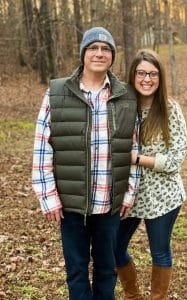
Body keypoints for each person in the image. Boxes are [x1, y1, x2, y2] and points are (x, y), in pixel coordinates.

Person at [32, 27, 140, 300]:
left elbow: (134, 148)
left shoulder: (126, 96)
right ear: (83, 53)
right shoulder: (57, 93)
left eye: (106, 49)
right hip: (71, 206)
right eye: (93, 48)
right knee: (77, 271)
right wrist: (48, 197)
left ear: (112, 56)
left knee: (106, 270)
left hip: (109, 203)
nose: (99, 53)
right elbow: (42, 147)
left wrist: (129, 192)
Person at [115, 50, 187, 300]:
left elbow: (175, 159)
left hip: (163, 196)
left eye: (153, 74)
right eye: (142, 73)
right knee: (114, 248)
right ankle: (132, 296)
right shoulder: (123, 108)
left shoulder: (170, 110)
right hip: (129, 195)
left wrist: (135, 159)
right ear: (133, 75)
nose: (147, 79)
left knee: (160, 252)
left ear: (160, 78)